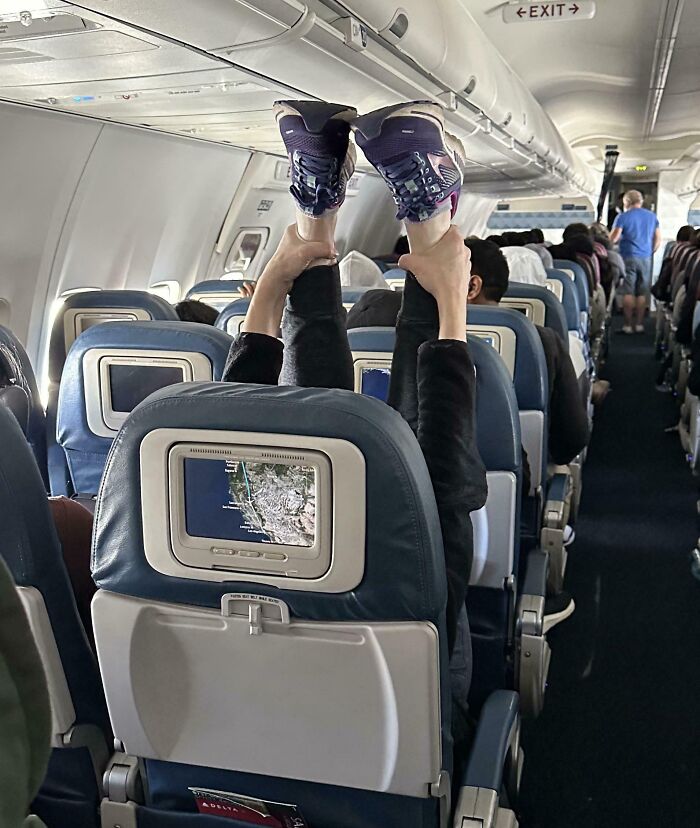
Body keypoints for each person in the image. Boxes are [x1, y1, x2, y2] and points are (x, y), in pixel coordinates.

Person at [222, 99, 487, 755]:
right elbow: (444, 496)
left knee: (298, 459)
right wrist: (453, 306)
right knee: (411, 487)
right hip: (383, 705)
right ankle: (390, 218)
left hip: (285, 654)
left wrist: (270, 286)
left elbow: (236, 439)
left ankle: (379, 219)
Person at [610, 189, 662, 333]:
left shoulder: (622, 217)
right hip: (645, 258)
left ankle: (627, 326)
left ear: (626, 202)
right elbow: (658, 238)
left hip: (628, 256)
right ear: (641, 201)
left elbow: (613, 238)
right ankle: (639, 325)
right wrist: (650, 251)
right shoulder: (652, 216)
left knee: (628, 291)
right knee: (641, 292)